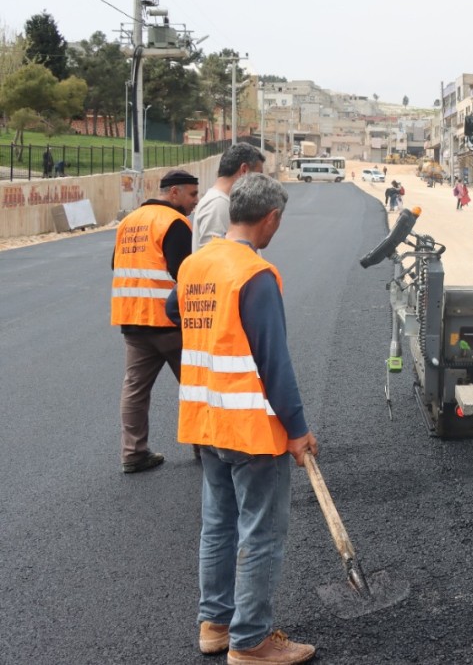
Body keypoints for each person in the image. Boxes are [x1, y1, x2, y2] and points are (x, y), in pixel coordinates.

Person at [170, 174, 318, 663]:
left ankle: (214, 624)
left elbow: (175, 309)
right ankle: (251, 640)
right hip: (250, 429)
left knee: (218, 524)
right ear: (271, 218)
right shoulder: (255, 274)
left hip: (205, 419)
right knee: (261, 531)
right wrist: (297, 430)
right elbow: (276, 363)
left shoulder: (197, 264)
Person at [110, 168, 200, 473]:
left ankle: (133, 453)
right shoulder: (174, 223)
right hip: (169, 322)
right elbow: (183, 273)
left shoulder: (129, 221)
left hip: (133, 321)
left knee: (134, 389)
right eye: (192, 194)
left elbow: (116, 264)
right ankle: (207, 448)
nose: (195, 202)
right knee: (195, 384)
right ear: (173, 193)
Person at [193, 144, 267, 252]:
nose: (260, 182)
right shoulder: (217, 205)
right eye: (258, 175)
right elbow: (212, 260)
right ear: (244, 170)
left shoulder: (224, 203)